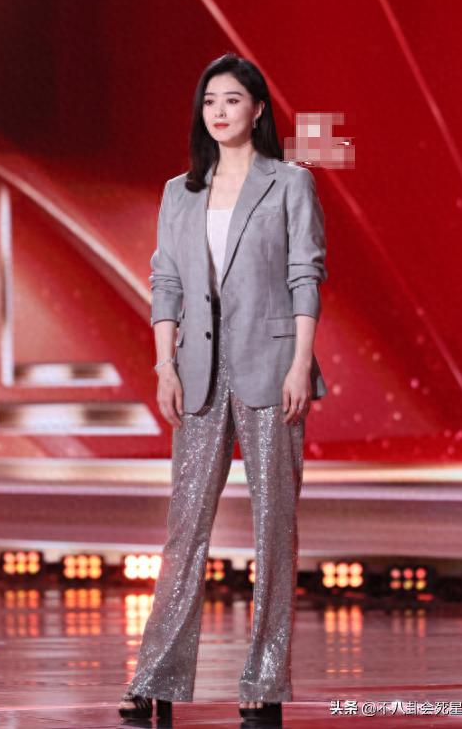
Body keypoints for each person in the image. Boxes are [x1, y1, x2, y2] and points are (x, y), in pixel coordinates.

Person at [118, 52, 328, 725]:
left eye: (232, 99)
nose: (219, 111)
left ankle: (263, 684)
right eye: (209, 100)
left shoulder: (289, 182)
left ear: (258, 109)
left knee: (274, 530)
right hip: (198, 373)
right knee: (184, 530)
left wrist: (301, 364)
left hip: (272, 367)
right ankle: (154, 678)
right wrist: (164, 366)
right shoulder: (178, 192)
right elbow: (166, 285)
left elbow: (305, 274)